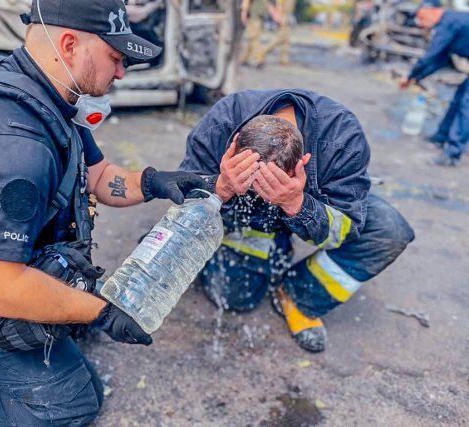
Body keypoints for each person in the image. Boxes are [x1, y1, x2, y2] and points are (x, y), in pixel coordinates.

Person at [0, 0, 206, 425]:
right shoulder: (14, 144)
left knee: (79, 363)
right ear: (69, 44)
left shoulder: (45, 90)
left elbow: (97, 174)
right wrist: (100, 311)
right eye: (115, 58)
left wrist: (152, 182)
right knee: (73, 404)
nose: (121, 73)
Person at [179, 89, 415, 353]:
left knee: (388, 230)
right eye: (255, 186)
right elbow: (186, 194)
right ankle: (264, 248)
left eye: (270, 185)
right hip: (247, 221)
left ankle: (298, 295)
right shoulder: (222, 122)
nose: (263, 193)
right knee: (235, 297)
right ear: (232, 147)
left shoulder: (344, 139)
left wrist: (297, 204)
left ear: (301, 163)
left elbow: (343, 232)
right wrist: (221, 187)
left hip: (320, 199)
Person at [400, 6, 469, 167]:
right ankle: (441, 137)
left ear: (432, 11)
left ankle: (452, 154)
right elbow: (440, 59)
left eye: (421, 18)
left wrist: (410, 76)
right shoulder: (451, 21)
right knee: (458, 101)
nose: (421, 24)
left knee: (466, 107)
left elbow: (431, 54)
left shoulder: (449, 23)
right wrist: (415, 76)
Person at [240, 0, 295, 68]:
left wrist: (276, 17)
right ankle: (255, 58)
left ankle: (251, 58)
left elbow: (269, 5)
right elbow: (247, 1)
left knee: (253, 38)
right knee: (254, 38)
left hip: (258, 17)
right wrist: (244, 13)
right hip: (254, 16)